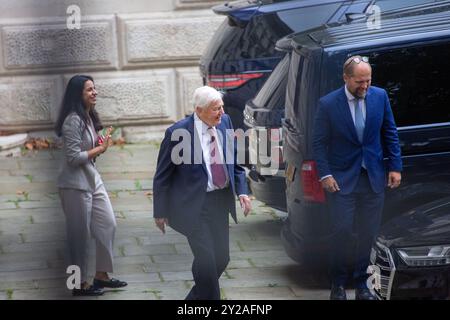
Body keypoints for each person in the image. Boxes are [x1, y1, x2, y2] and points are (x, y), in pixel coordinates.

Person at [312, 56, 402, 300]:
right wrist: (326, 174)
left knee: (369, 233)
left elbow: (389, 132)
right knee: (341, 230)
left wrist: (395, 166)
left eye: (368, 80)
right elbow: (319, 143)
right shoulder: (328, 104)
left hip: (372, 176)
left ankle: (363, 286)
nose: (365, 86)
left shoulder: (380, 96)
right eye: (359, 81)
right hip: (341, 179)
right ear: (346, 78)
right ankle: (338, 285)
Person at [153, 85, 252, 300]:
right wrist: (159, 211)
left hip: (220, 202)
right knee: (206, 259)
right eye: (216, 109)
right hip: (193, 206)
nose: (222, 113)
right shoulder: (178, 133)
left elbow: (234, 163)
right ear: (199, 110)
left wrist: (242, 192)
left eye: (222, 107)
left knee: (221, 258)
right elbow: (162, 176)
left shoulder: (225, 122)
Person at [55, 75, 127, 296]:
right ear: (78, 94)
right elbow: (73, 157)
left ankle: (101, 275)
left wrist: (99, 141)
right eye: (89, 90)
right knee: (79, 236)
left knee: (107, 223)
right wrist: (100, 149)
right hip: (74, 185)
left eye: (94, 88)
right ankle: (78, 284)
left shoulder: (87, 116)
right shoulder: (73, 120)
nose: (94, 92)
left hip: (92, 179)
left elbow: (86, 149)